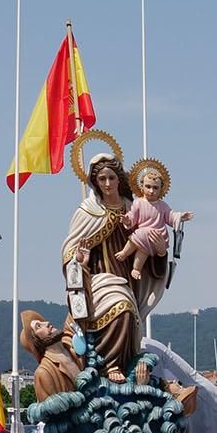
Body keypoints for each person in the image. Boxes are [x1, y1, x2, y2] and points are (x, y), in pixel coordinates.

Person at [63, 154, 146, 381]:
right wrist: (80, 259)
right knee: (123, 309)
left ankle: (123, 362)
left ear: (119, 179)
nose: (107, 184)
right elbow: (70, 249)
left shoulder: (132, 207)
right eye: (102, 179)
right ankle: (112, 365)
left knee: (129, 313)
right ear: (95, 182)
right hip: (99, 276)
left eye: (111, 177)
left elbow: (149, 235)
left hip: (127, 275)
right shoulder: (87, 211)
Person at [114, 159, 191, 281]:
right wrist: (127, 220)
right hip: (143, 234)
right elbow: (132, 216)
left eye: (155, 188)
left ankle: (127, 255)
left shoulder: (162, 205)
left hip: (157, 235)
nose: (151, 191)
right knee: (142, 248)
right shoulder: (138, 202)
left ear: (161, 189)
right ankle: (133, 264)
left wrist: (180, 217)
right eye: (148, 187)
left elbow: (170, 216)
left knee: (140, 237)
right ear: (142, 186)